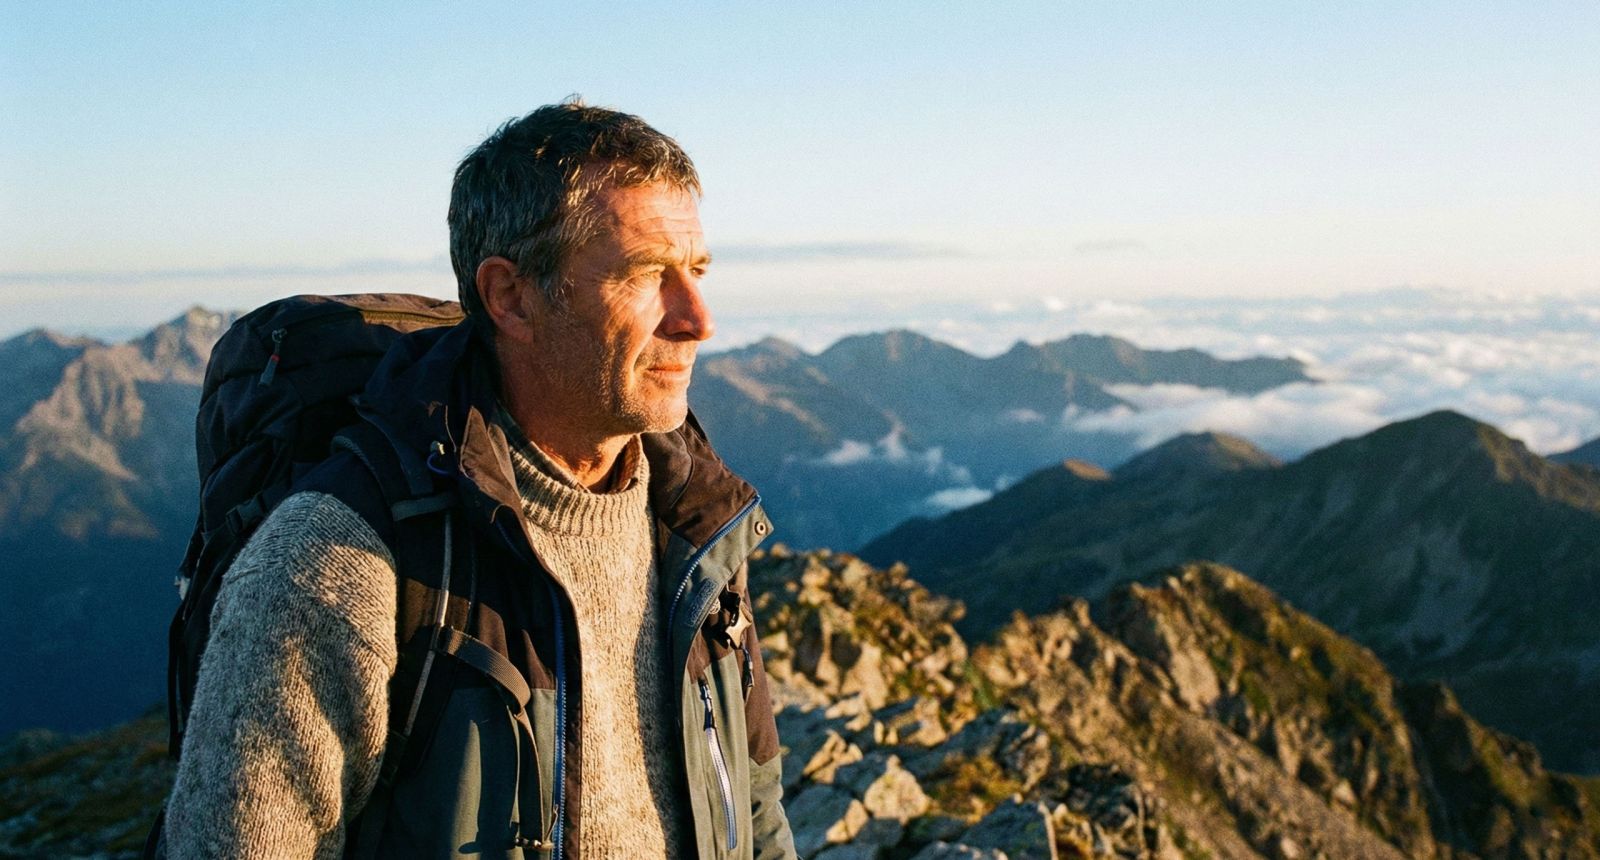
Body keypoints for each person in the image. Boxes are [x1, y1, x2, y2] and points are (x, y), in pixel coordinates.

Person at [163, 100, 796, 859]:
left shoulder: (696, 529)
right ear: (510, 297)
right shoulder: (335, 566)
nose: (699, 318)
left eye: (695, 270)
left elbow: (755, 818)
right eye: (645, 274)